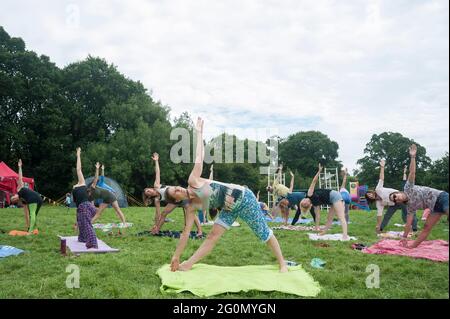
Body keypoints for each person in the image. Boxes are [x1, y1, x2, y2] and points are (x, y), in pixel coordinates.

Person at [167, 117, 288, 272]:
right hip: (228, 209)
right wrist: (176, 256)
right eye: (175, 192)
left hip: (244, 199)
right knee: (212, 237)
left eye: (176, 187)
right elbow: (185, 234)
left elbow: (199, 157)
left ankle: (282, 263)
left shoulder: (193, 181)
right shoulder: (190, 208)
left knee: (263, 232)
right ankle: (188, 264)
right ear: (176, 200)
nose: (179, 189)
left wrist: (199, 133)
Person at [389, 144, 449, 248]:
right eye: (394, 200)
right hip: (435, 208)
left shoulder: (408, 187)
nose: (395, 198)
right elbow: (408, 223)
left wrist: (412, 157)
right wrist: (404, 237)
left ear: (398, 192)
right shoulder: (410, 207)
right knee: (426, 227)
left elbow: (412, 172)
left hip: (441, 197)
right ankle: (412, 247)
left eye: (394, 195)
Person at [145, 153, 203, 236]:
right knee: (163, 213)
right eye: (148, 192)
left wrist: (156, 161)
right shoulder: (157, 199)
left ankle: (200, 231)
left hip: (181, 196)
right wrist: (155, 225)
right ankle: (157, 230)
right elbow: (157, 214)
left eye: (148, 189)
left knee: (191, 213)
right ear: (149, 196)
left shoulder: (157, 186)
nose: (149, 190)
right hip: (174, 202)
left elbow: (157, 172)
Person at [365, 160, 417, 234]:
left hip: (400, 198)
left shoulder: (378, 189)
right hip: (393, 204)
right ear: (370, 199)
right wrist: (378, 224)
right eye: (369, 196)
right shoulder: (378, 203)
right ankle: (380, 229)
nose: (370, 195)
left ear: (372, 192)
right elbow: (379, 214)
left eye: (370, 193)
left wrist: (382, 167)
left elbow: (381, 179)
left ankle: (414, 229)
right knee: (387, 215)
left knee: (408, 212)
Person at [298, 164, 349, 240]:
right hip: (332, 201)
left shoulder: (309, 194)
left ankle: (345, 235)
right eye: (305, 204)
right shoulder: (315, 205)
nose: (305, 201)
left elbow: (314, 181)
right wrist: (317, 227)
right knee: (329, 218)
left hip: (335, 196)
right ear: (309, 205)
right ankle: (324, 232)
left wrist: (319, 171)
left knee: (341, 216)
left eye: (303, 202)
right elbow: (318, 216)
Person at [72, 148, 98, 249]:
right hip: (84, 208)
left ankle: (93, 243)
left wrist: (78, 155)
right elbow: (78, 208)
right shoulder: (76, 190)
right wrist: (76, 222)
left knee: (86, 225)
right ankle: (82, 238)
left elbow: (78, 169)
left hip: (86, 207)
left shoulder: (81, 183)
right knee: (82, 221)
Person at [10, 159, 43, 234]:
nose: (14, 198)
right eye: (13, 199)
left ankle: (30, 231)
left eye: (13, 197)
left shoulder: (19, 188)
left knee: (32, 214)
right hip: (38, 199)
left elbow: (20, 177)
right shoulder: (23, 200)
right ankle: (34, 228)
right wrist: (27, 224)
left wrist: (20, 167)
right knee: (33, 215)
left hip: (34, 199)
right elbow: (26, 213)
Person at [89, 162, 127, 226]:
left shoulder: (93, 186)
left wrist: (97, 169)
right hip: (105, 199)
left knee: (118, 210)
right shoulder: (90, 196)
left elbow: (96, 177)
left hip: (110, 196)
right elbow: (92, 205)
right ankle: (89, 224)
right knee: (98, 213)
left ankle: (124, 223)